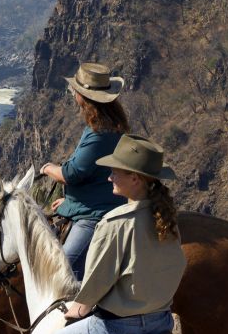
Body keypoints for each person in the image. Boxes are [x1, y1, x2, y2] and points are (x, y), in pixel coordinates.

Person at [59, 134, 186, 334]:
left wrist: (79, 307)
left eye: (114, 173)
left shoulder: (115, 223)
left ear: (134, 178)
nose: (110, 178)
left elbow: (98, 278)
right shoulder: (168, 217)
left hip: (115, 326)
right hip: (160, 321)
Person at [39, 62, 128, 280]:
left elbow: (72, 173)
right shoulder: (108, 125)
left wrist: (48, 168)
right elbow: (94, 175)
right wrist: (70, 205)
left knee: (63, 270)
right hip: (92, 204)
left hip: (95, 214)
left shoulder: (99, 133)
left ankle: (82, 311)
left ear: (84, 97)